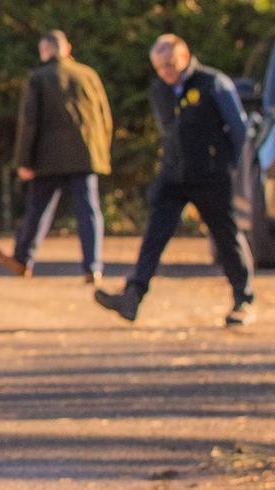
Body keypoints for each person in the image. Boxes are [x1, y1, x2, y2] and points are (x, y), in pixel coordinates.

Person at [95, 35, 255, 327]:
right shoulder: (160, 89)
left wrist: (225, 164)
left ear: (184, 57)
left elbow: (239, 130)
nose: (165, 72)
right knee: (154, 236)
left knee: (226, 237)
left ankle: (242, 298)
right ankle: (132, 296)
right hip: (173, 174)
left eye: (169, 65)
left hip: (210, 175)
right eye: (159, 67)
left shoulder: (212, 83)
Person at [0, 30, 112, 282]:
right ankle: (93, 266)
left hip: (48, 158)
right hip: (86, 154)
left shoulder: (38, 78)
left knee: (38, 209)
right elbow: (104, 116)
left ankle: (22, 259)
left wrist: (24, 161)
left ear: (45, 51)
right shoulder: (88, 75)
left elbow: (29, 123)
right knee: (89, 210)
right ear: (67, 48)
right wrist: (102, 152)